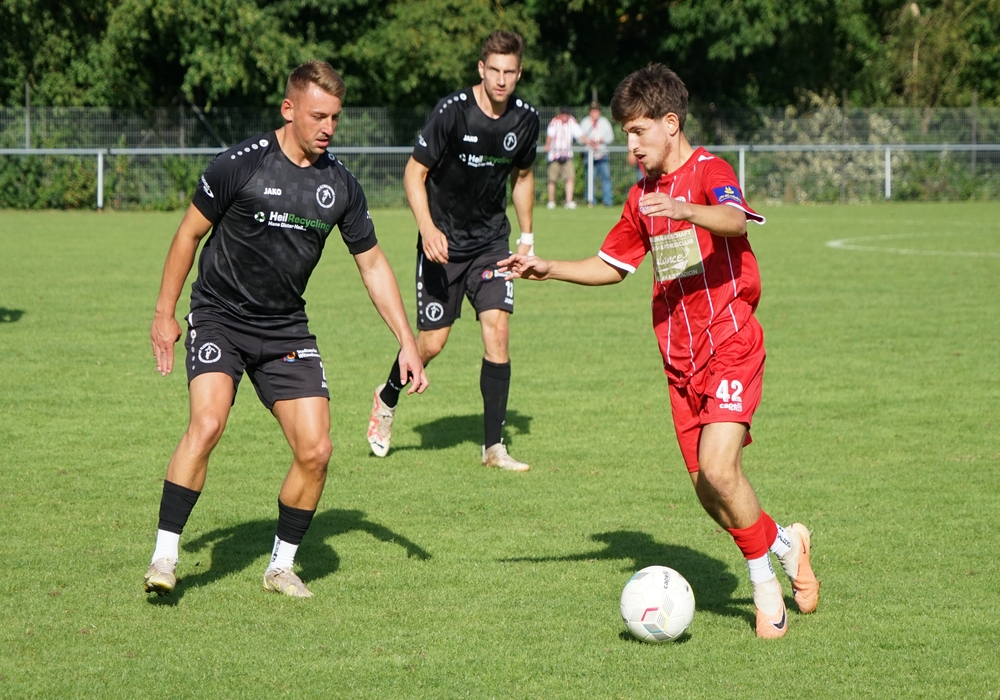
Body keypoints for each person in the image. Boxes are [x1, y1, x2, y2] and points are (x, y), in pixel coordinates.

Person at [499, 64, 819, 638]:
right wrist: (548, 268)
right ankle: (784, 543)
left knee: (720, 469)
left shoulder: (711, 171)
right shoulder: (641, 197)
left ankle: (764, 590)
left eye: (638, 131)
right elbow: (612, 265)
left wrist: (687, 210)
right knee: (707, 490)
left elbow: (734, 220)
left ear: (671, 124)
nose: (630, 145)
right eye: (625, 132)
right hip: (679, 360)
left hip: (730, 342)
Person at [144, 60, 428, 598]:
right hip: (220, 317)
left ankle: (280, 567)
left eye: (335, 118)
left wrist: (407, 342)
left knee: (316, 450)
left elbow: (372, 264)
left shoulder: (340, 185)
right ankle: (164, 558)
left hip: (284, 331)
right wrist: (164, 313)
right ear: (289, 109)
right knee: (207, 424)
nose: (328, 127)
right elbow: (188, 235)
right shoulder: (240, 164)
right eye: (318, 116)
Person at [366, 31, 539, 471]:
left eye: (509, 72)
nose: (501, 79)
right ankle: (387, 397)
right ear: (481, 69)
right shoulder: (452, 112)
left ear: (519, 73)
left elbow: (523, 177)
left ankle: (493, 448)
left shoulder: (525, 120)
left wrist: (527, 235)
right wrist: (427, 229)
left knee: (497, 329)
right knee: (432, 343)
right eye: (494, 70)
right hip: (442, 245)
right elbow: (413, 173)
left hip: (491, 244)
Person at [545, 106, 583, 209]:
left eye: (567, 115)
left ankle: (568, 201)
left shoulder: (572, 122)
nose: (565, 117)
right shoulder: (554, 122)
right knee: (552, 179)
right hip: (555, 156)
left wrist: (589, 142)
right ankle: (551, 201)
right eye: (563, 114)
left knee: (570, 178)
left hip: (567, 155)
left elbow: (580, 134)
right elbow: (549, 136)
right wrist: (547, 145)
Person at [580, 101, 615, 207]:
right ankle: (591, 200)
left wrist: (602, 140)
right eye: (592, 111)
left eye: (596, 111)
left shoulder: (604, 122)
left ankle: (608, 200)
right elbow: (579, 138)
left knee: (606, 177)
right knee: (590, 178)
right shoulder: (585, 122)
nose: (594, 113)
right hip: (589, 155)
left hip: (602, 154)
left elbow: (611, 137)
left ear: (599, 112)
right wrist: (589, 141)